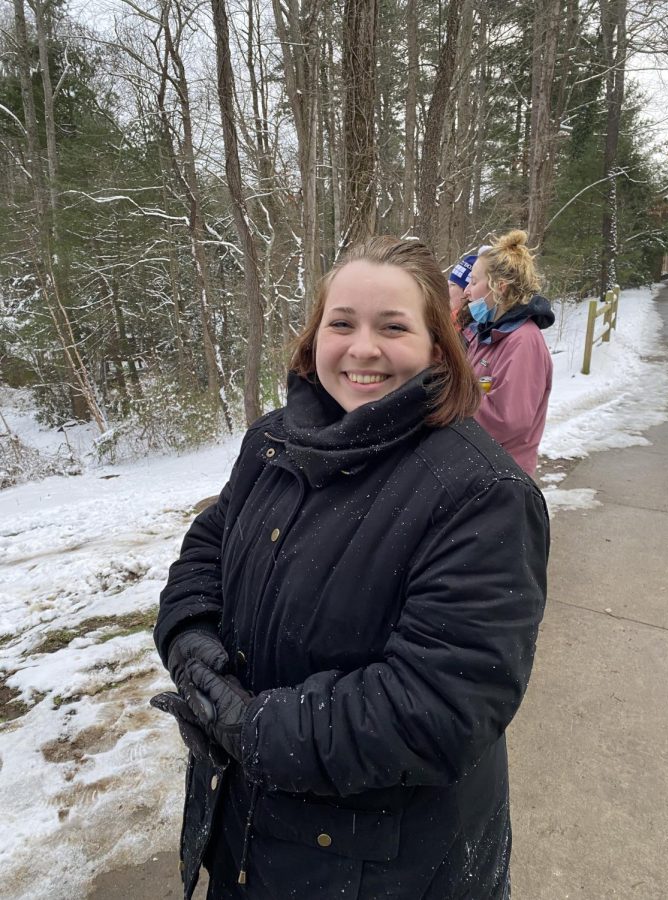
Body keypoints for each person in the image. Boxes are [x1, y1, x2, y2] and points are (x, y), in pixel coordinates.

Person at [151, 236, 550, 900]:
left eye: (392, 327)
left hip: (382, 868)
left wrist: (249, 730)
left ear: (434, 344)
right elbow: (209, 546)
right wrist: (190, 639)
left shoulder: (481, 496)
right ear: (315, 337)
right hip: (246, 832)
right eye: (342, 323)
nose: (362, 348)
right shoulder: (274, 441)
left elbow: (439, 705)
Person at [464, 230, 554, 477]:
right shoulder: (486, 333)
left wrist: (452, 396)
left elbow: (509, 421)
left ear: (499, 287)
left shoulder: (523, 342)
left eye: (473, 282)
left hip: (501, 476)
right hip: (480, 466)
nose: (466, 292)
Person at [447, 253, 476, 331]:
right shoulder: (452, 320)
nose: (447, 289)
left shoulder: (472, 329)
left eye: (452, 285)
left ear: (467, 291)